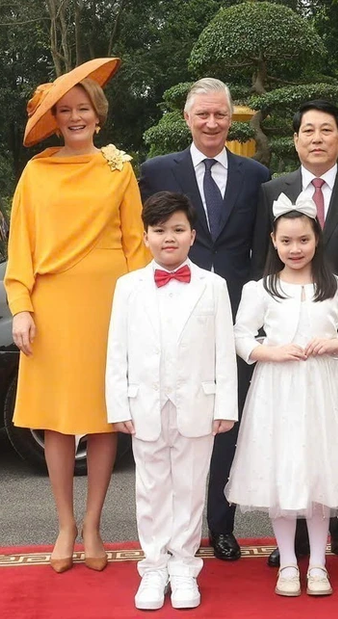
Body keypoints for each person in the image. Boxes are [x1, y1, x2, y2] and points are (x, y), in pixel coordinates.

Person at [4, 57, 148, 574]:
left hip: (111, 304)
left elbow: (137, 243)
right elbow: (20, 245)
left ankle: (93, 525)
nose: (75, 117)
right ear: (54, 120)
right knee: (58, 422)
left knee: (106, 418)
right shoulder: (36, 172)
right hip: (52, 307)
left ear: (98, 113)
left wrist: (143, 309)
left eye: (83, 107)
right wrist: (21, 307)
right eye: (64, 110)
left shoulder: (118, 168)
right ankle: (65, 524)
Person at [139, 78, 271, 561]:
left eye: (220, 115)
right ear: (187, 119)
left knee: (224, 423)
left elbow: (262, 250)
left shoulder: (256, 175)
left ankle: (221, 525)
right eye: (203, 115)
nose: (212, 123)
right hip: (173, 316)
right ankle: (174, 533)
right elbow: (146, 241)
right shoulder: (156, 171)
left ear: (231, 119)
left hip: (235, 315)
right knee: (172, 426)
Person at [253, 100, 338, 570]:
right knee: (291, 439)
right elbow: (260, 263)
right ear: (295, 140)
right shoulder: (273, 190)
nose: (316, 138)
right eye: (307, 130)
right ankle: (295, 542)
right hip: (288, 343)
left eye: (326, 130)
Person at [227, 193, 338, 597]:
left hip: (325, 391)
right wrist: (270, 352)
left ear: (317, 240)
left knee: (319, 474)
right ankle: (288, 563)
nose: (295, 249)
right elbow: (241, 336)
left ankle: (318, 564)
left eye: (303, 240)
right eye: (286, 241)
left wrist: (336, 344)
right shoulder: (260, 289)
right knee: (282, 472)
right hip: (277, 389)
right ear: (274, 242)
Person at [106, 191, 237, 611]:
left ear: (192, 235)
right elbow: (117, 350)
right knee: (151, 488)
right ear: (145, 236)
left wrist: (225, 406)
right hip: (144, 402)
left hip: (198, 402)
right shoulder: (127, 287)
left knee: (191, 487)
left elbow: (223, 350)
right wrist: (118, 404)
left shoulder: (213, 286)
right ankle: (153, 566)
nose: (169, 238)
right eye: (160, 230)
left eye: (178, 230)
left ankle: (183, 566)